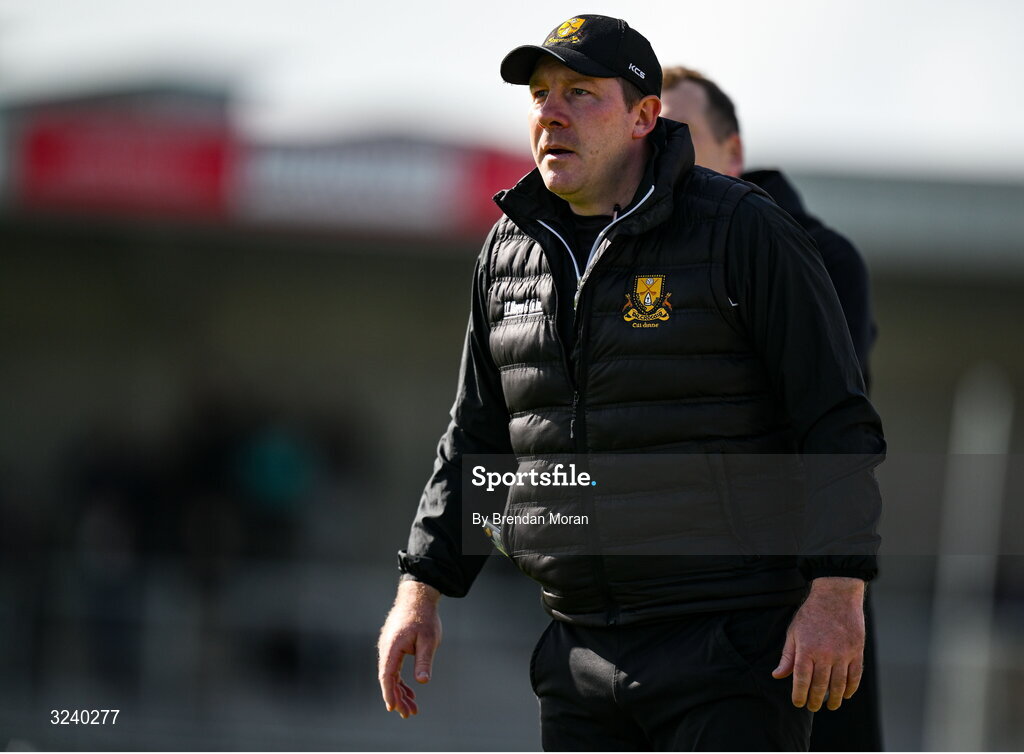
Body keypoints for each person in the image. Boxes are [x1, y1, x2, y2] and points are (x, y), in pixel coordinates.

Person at [377, 14, 885, 751]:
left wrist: (838, 589)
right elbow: (479, 438)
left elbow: (835, 420)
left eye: (580, 93)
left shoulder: (743, 229)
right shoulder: (508, 251)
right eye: (540, 93)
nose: (550, 110)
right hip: (577, 650)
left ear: (646, 116)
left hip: (730, 645)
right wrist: (422, 587)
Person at [660, 66, 883, 751]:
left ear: (734, 152)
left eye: (680, 139)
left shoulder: (819, 257)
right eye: (649, 145)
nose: (663, 162)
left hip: (789, 604)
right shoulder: (632, 264)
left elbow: (827, 432)